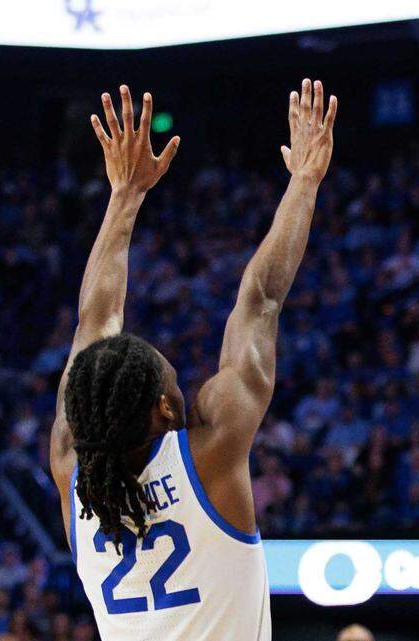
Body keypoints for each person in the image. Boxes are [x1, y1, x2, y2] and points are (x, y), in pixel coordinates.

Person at [48, 80, 337, 640]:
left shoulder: (71, 473)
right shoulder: (209, 452)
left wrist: (124, 197)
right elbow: (260, 299)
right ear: (163, 404)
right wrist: (304, 180)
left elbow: (93, 325)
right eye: (175, 381)